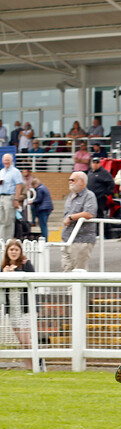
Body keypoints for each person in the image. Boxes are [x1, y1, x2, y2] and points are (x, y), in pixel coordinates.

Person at [2, 239, 36, 369]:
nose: (14, 252)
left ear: (20, 251)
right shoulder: (3, 266)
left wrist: (15, 273)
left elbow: (33, 279)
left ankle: (38, 361)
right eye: (11, 249)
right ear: (7, 252)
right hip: (12, 309)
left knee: (26, 339)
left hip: (25, 309)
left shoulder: (25, 264)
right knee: (21, 341)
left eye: (16, 249)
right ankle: (29, 366)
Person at [61, 172, 97, 271]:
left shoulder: (89, 195)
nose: (70, 182)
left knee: (79, 270)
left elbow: (89, 213)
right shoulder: (70, 196)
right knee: (66, 267)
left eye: (73, 180)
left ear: (82, 182)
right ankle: (68, 287)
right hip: (67, 238)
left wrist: (70, 217)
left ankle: (76, 287)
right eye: (69, 180)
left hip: (81, 239)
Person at [0, 154, 24, 241]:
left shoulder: (15, 171)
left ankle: (8, 240)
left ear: (11, 161)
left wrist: (16, 199)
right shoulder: (2, 171)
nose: (6, 162)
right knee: (1, 220)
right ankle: (1, 240)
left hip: (10, 197)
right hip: (1, 196)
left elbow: (18, 185)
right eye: (5, 160)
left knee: (8, 220)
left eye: (8, 160)